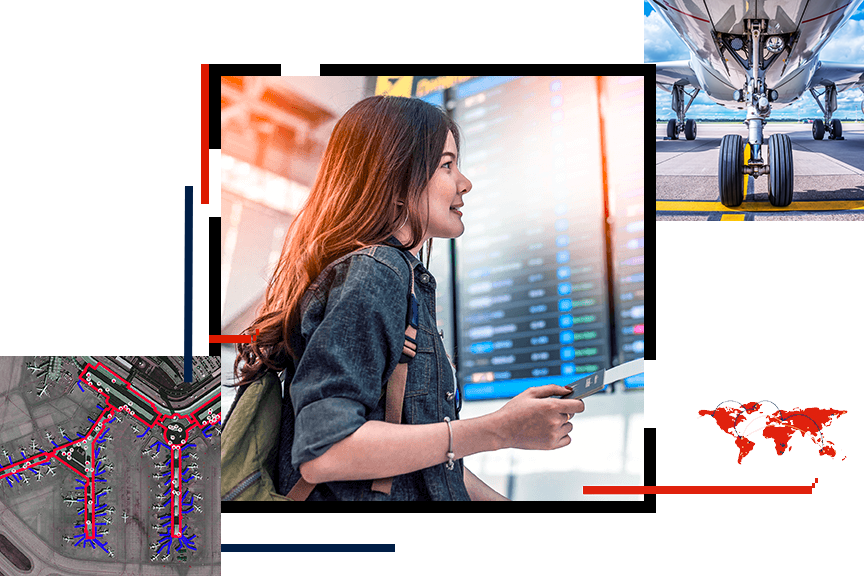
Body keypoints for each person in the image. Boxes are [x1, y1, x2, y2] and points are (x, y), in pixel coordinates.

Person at [233, 95, 585, 501]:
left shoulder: (395, 278)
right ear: (397, 181)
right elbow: (326, 451)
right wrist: (499, 429)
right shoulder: (377, 271)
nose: (464, 183)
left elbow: (427, 464)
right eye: (447, 165)